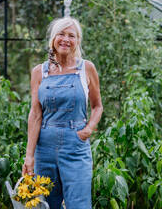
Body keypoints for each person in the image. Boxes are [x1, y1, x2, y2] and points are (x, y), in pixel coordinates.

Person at [22, 17, 103, 209]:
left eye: (71, 36)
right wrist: (29, 156)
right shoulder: (39, 72)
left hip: (75, 144)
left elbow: (97, 106)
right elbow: (35, 114)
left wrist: (89, 129)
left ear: (77, 41)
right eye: (61, 34)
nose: (65, 39)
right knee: (46, 203)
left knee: (79, 204)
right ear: (53, 39)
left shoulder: (86, 68)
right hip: (45, 146)